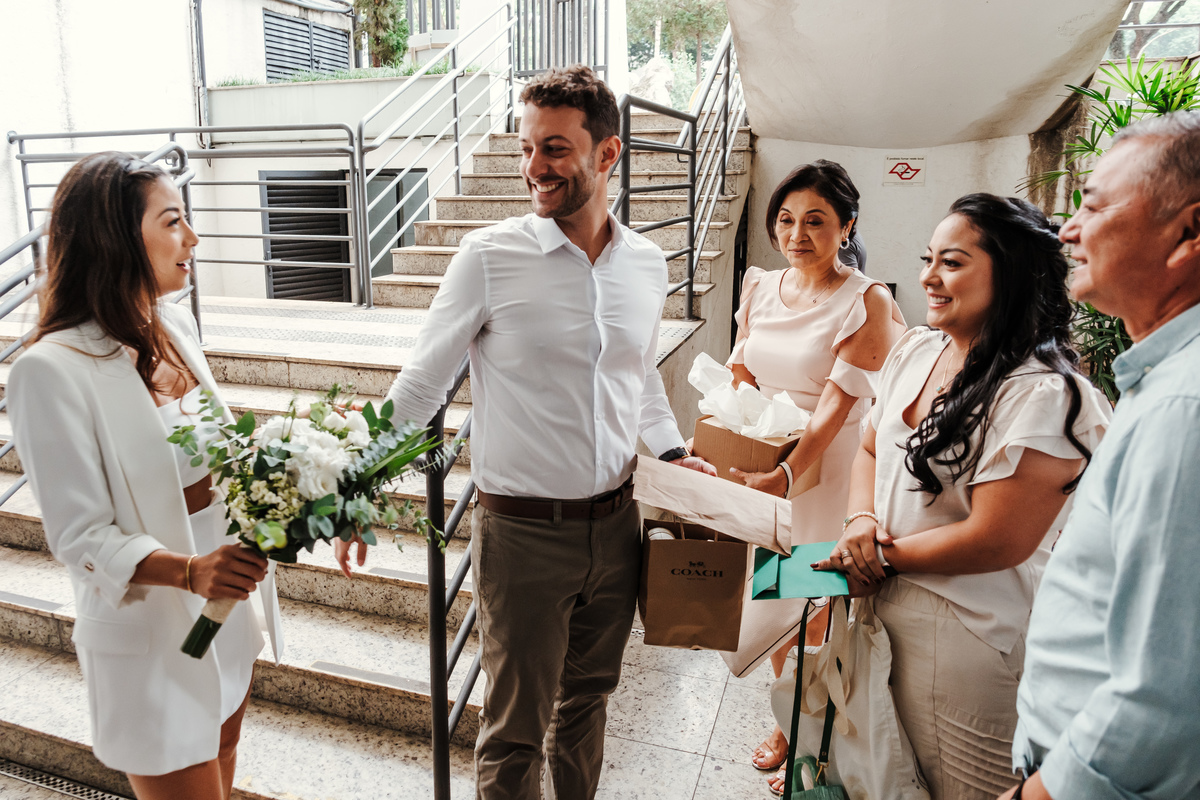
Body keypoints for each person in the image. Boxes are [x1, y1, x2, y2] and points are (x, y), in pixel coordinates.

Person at [334, 65, 715, 800]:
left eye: (555, 149)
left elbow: (636, 379)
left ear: (608, 155)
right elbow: (420, 385)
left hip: (618, 528)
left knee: (588, 705)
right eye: (526, 147)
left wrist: (672, 452)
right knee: (513, 733)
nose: (533, 168)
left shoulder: (646, 262)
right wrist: (358, 488)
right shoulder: (488, 256)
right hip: (521, 536)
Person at [813, 194, 1111, 799]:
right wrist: (860, 522)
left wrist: (878, 558)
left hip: (965, 638)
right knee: (880, 778)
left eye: (951, 262)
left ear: (1012, 275)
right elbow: (871, 448)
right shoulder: (917, 350)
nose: (928, 276)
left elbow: (998, 538)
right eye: (929, 259)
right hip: (882, 607)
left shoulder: (1045, 395)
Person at [7, 152, 284, 800]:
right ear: (117, 237)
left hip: (226, 616)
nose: (192, 238)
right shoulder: (49, 370)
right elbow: (79, 537)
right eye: (174, 221)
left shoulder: (175, 326)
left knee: (225, 759)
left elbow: (215, 458)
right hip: (151, 629)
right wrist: (191, 571)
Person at [1003, 113, 1200, 800]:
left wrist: (1043, 794)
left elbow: (1168, 688)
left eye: (1093, 204)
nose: (1069, 229)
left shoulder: (1186, 408)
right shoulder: (1163, 382)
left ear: (1189, 233)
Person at [722, 160, 905, 783]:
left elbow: (834, 409)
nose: (796, 233)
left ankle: (810, 735)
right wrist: (736, 447)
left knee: (814, 607)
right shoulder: (759, 286)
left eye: (816, 221)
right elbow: (740, 372)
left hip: (821, 476)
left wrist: (786, 475)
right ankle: (791, 716)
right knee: (775, 600)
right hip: (762, 465)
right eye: (786, 219)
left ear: (847, 226)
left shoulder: (867, 300)